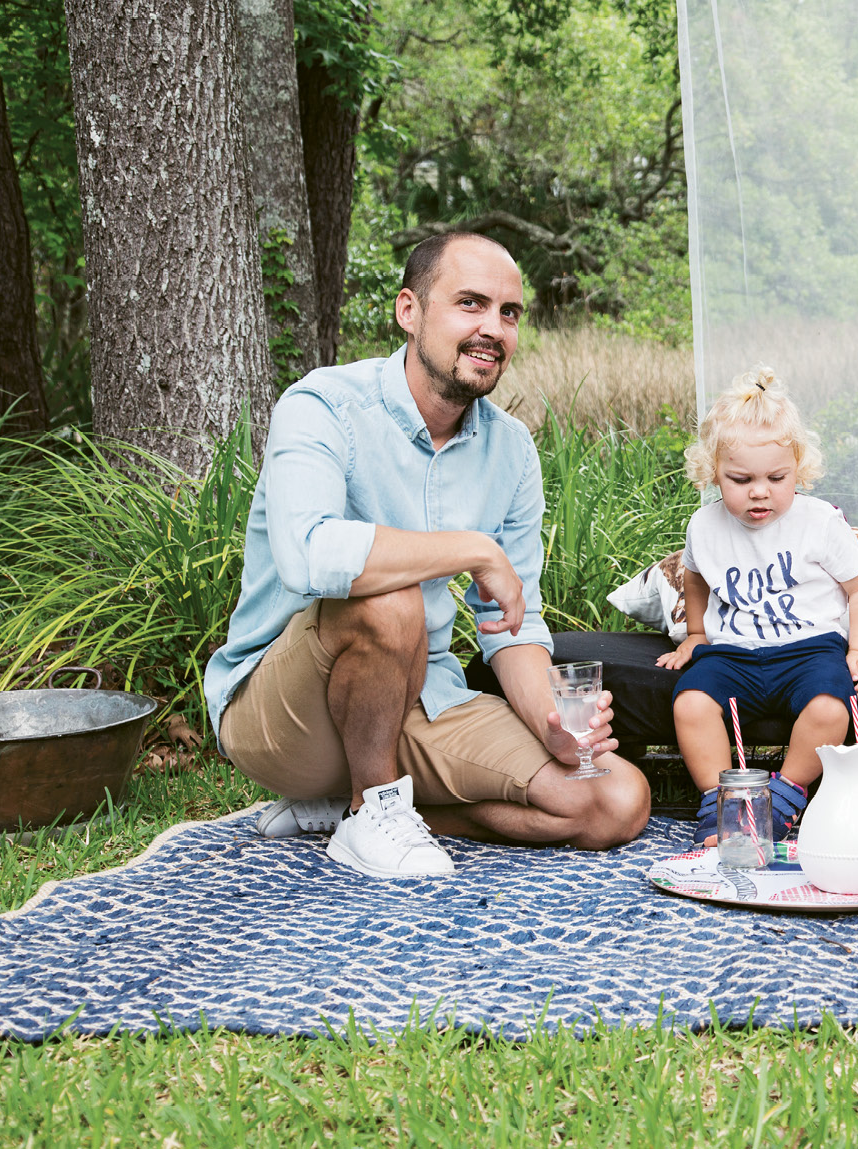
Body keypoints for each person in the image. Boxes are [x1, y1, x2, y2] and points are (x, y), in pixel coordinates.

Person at [203, 232, 650, 879]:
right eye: (470, 304)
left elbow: (513, 626)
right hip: (284, 711)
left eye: (509, 312)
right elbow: (309, 554)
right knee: (389, 598)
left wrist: (552, 723)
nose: (492, 328)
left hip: (417, 695)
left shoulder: (511, 449)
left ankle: (358, 812)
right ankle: (373, 804)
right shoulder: (322, 404)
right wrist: (470, 548)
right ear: (408, 310)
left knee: (615, 799)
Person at [655, 368, 858, 845]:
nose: (760, 491)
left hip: (809, 649)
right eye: (741, 479)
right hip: (733, 653)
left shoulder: (819, 521)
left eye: (777, 478)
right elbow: (694, 578)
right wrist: (696, 634)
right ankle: (724, 802)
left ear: (798, 468)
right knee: (691, 704)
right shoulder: (705, 525)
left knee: (830, 708)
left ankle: (783, 795)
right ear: (712, 471)